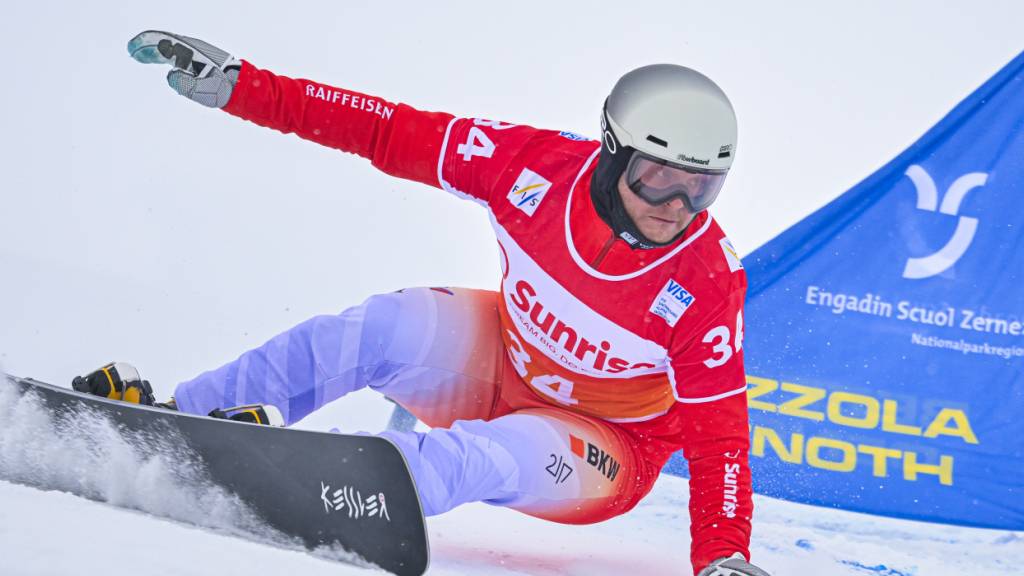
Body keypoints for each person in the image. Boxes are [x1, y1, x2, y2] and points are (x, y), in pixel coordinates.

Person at [77, 30, 772, 576]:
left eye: (701, 188)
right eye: (657, 181)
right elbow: (385, 129)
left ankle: (356, 483)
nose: (676, 207)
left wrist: (722, 560)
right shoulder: (529, 168)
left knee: (496, 453)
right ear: (614, 154)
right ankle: (183, 419)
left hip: (607, 448)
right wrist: (243, 87)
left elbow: (721, 441)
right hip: (506, 360)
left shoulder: (706, 282)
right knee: (386, 325)